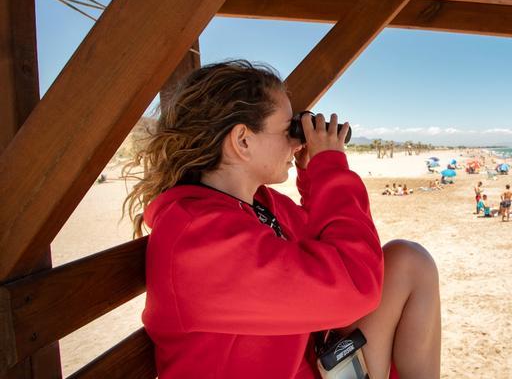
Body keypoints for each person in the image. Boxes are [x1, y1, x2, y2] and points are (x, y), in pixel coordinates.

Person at [123, 61, 440, 379]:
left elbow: (333, 247)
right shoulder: (198, 240)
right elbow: (355, 281)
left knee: (408, 261)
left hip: (307, 365)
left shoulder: (259, 205)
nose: (297, 142)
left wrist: (312, 174)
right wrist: (329, 165)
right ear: (242, 141)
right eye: (289, 130)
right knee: (403, 264)